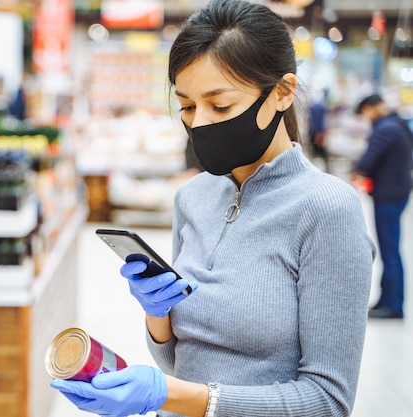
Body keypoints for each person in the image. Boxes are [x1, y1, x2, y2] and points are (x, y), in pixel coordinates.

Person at [50, 1, 375, 416]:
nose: (199, 123)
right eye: (186, 106)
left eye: (220, 106)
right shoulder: (193, 198)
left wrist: (167, 395)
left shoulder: (328, 210)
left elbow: (327, 402)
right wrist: (159, 317)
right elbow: (176, 363)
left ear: (281, 93)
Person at [353, 93, 413, 319]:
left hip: (388, 195)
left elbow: (367, 161)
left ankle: (393, 305)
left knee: (389, 250)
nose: (365, 118)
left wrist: (358, 169)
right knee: (391, 249)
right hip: (397, 192)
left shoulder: (385, 128)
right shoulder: (398, 123)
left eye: (365, 112)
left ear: (371, 108)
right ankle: (387, 300)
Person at [308, 89, 330, 173]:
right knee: (320, 152)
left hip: (314, 131)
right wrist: (319, 133)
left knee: (315, 152)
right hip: (317, 132)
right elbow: (319, 121)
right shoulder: (321, 106)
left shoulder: (316, 104)